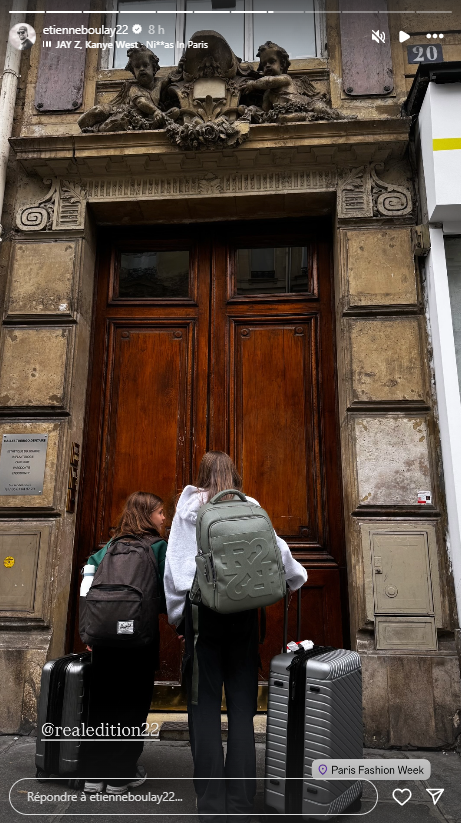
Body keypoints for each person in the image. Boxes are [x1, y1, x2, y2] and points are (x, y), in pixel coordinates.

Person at [164, 451, 307, 823]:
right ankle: (242, 802)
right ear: (234, 474)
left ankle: (211, 804)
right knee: (243, 710)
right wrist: (295, 580)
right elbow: (282, 557)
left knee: (204, 708)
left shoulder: (187, 510)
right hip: (244, 618)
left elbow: (177, 570)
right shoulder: (250, 505)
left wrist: (180, 620)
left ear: (201, 475)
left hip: (204, 620)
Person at [82, 491, 167, 795]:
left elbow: (86, 585)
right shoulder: (158, 547)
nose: (163, 518)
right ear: (147, 516)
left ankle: (93, 774)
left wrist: (89, 631)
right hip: (139, 639)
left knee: (101, 703)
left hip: (103, 638)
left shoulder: (108, 548)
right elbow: (171, 589)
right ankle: (120, 775)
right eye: (160, 512)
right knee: (132, 704)